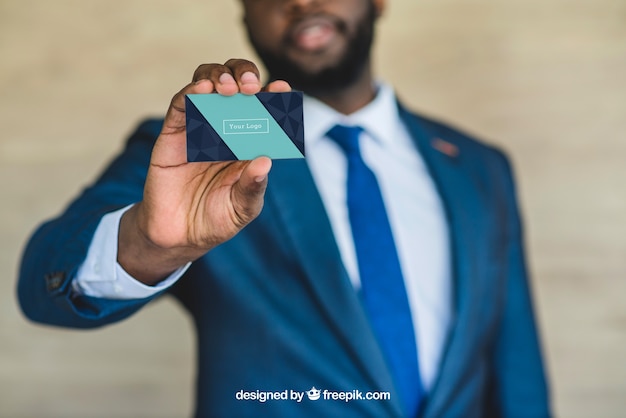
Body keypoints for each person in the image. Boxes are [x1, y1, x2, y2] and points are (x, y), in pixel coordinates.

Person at [17, 0, 551, 417]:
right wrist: (146, 244)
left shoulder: (478, 168)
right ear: (244, 15)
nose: (298, 2)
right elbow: (44, 279)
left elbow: (516, 367)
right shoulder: (220, 138)